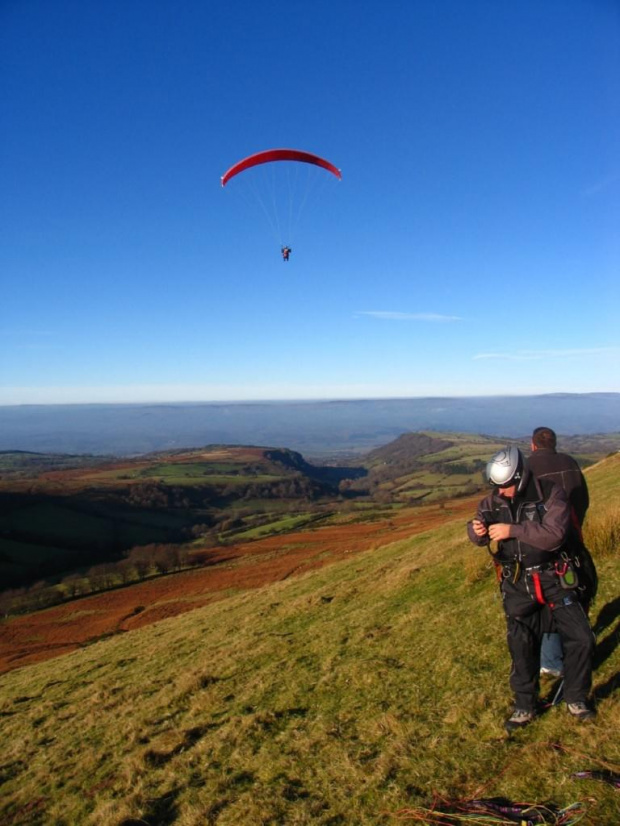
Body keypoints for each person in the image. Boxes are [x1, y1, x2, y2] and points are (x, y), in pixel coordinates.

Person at [467, 446, 596, 732]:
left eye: (508, 485)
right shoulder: (493, 502)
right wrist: (475, 532)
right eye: (498, 486)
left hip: (555, 577)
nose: (503, 492)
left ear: (522, 475)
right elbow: (478, 528)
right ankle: (525, 706)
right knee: (521, 645)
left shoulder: (551, 495)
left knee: (581, 638)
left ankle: (576, 698)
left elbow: (554, 536)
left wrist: (513, 530)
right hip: (518, 583)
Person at [528, 427, 590, 679]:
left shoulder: (526, 468)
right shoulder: (569, 462)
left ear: (533, 445)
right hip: (572, 540)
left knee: (548, 598)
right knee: (576, 589)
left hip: (540, 544)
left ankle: (551, 659)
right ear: (554, 443)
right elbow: (582, 499)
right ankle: (575, 641)